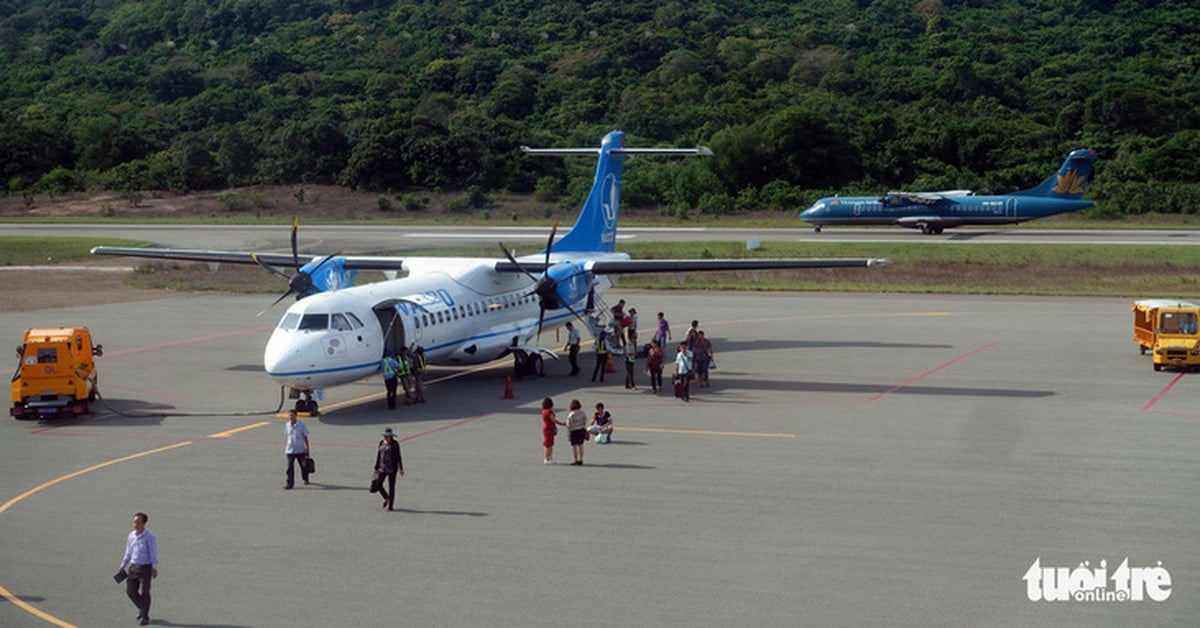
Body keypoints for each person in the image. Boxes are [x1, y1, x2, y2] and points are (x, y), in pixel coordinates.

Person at [118, 512, 158, 626]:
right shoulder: (131, 535)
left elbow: (153, 552)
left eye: (138, 522)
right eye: (134, 522)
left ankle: (145, 616)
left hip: (145, 567)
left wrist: (154, 567)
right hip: (133, 567)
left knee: (145, 592)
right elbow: (128, 552)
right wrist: (123, 565)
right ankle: (143, 608)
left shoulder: (150, 536)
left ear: (143, 523)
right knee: (130, 591)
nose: (135, 524)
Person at [374, 427, 405, 510]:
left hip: (392, 468)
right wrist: (376, 467)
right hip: (382, 467)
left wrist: (401, 468)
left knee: (391, 486)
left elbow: (398, 456)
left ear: (391, 436)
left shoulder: (395, 444)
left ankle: (391, 505)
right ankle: (387, 497)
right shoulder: (381, 443)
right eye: (385, 436)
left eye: (388, 436)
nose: (386, 438)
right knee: (378, 484)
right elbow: (379, 455)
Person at [283, 409, 310, 489]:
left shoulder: (301, 425)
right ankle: (290, 484)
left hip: (300, 449)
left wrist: (307, 448)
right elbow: (287, 436)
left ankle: (305, 478)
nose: (290, 417)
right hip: (290, 449)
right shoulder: (287, 425)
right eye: (289, 415)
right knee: (289, 468)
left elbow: (305, 437)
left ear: (296, 416)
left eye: (292, 415)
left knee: (303, 466)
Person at [542, 397, 566, 464]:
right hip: (549, 428)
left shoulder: (544, 411)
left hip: (546, 427)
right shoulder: (549, 411)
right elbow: (553, 420)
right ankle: (547, 458)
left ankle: (549, 457)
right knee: (549, 444)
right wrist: (562, 423)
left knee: (549, 443)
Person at [566, 399, 588, 465]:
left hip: (573, 431)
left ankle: (575, 460)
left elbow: (568, 424)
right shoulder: (582, 412)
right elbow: (585, 420)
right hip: (581, 429)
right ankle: (581, 459)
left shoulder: (571, 414)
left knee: (574, 446)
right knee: (581, 445)